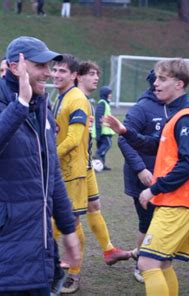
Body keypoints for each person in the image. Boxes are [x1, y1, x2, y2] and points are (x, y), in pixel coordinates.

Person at [0, 36, 80, 295]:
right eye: (40, 65)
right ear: (15, 67)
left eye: (50, 66)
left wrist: (67, 228)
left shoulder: (42, 108)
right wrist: (19, 105)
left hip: (38, 245)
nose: (48, 73)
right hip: (2, 246)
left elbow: (51, 173)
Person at [103, 58, 189, 296]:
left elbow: (187, 165)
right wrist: (125, 131)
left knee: (148, 263)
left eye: (163, 79)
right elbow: (156, 146)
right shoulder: (178, 116)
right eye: (157, 79)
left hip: (181, 202)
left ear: (180, 84)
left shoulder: (186, 118)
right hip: (179, 202)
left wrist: (154, 189)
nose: (156, 84)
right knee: (162, 263)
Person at [51, 57, 130, 294]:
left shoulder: (75, 99)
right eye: (54, 70)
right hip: (75, 168)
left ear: (73, 74)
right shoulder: (63, 96)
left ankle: (73, 274)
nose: (55, 74)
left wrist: (48, 157)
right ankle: (100, 251)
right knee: (78, 214)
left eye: (61, 71)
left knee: (73, 220)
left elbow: (73, 140)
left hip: (73, 170)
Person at [117, 70, 165, 283]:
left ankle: (157, 260)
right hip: (144, 177)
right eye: (160, 79)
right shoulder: (142, 108)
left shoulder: (176, 107)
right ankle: (141, 265)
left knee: (163, 222)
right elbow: (124, 139)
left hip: (167, 177)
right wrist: (140, 169)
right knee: (147, 222)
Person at [94, 85, 114, 170]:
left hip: (105, 130)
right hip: (103, 131)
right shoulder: (102, 103)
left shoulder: (105, 103)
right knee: (107, 145)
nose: (111, 95)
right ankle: (97, 155)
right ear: (105, 94)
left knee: (102, 147)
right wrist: (98, 133)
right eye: (109, 94)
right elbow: (98, 118)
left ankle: (102, 164)